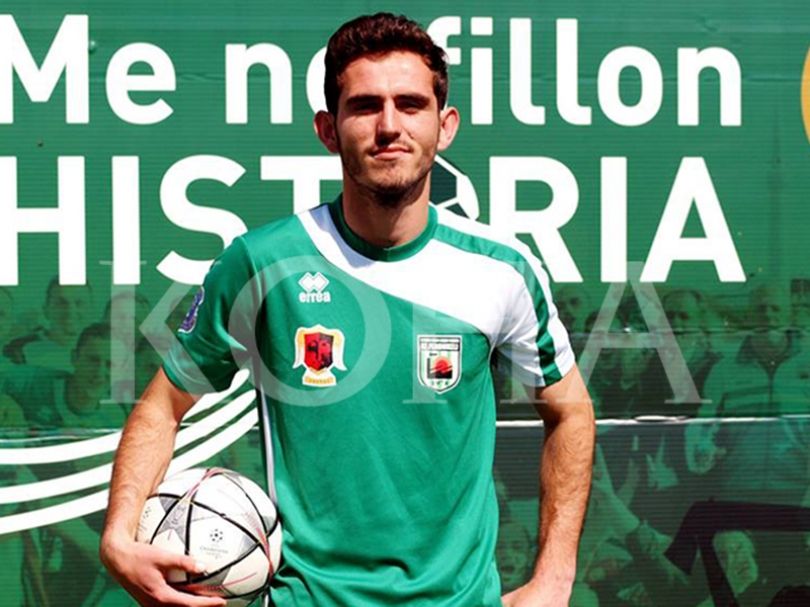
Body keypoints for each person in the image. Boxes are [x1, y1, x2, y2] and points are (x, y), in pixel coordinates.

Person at [100, 13, 595, 607]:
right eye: (364, 106)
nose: (389, 126)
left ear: (445, 126)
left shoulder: (502, 268)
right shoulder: (263, 262)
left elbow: (570, 411)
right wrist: (118, 535)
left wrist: (554, 579)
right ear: (328, 130)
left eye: (410, 104)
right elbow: (162, 406)